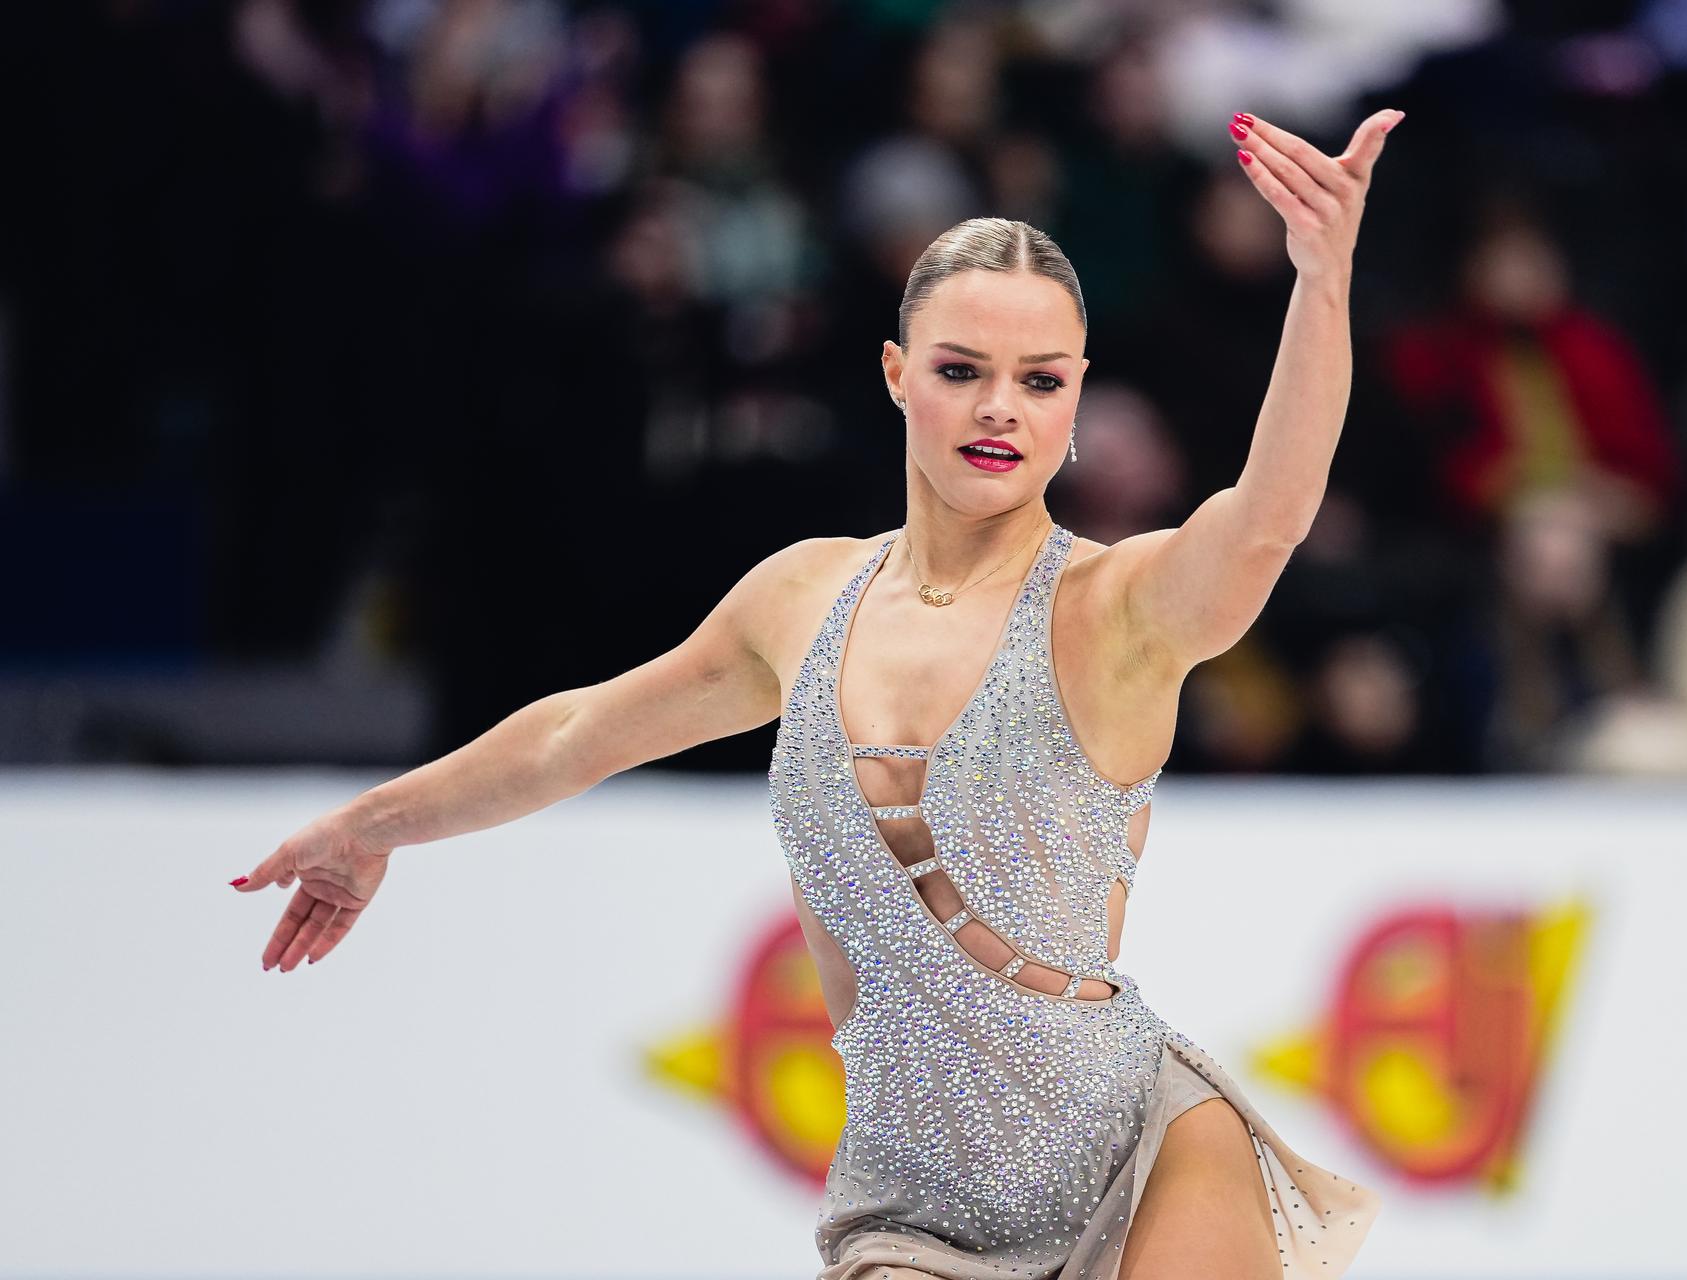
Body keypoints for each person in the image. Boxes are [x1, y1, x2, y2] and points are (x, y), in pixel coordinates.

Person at [231, 107, 1403, 1280]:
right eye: (962, 370)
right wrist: (368, 824)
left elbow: (1266, 522)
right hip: (913, 1208)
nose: (1001, 407)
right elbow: (579, 730)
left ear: (1077, 395)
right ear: (897, 373)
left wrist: (1320, 280)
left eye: (1039, 380)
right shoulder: (799, 598)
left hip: (1141, 1150)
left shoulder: (1115, 608)